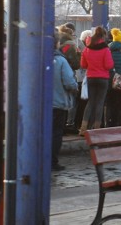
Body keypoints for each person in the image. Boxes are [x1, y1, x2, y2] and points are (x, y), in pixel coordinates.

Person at [79, 26, 114, 134]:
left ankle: (83, 128)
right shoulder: (105, 49)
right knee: (99, 103)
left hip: (91, 77)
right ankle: (97, 129)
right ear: (103, 36)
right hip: (103, 79)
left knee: (90, 102)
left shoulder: (87, 49)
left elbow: (83, 65)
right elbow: (109, 65)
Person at [52, 32, 78, 171]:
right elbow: (70, 83)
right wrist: (75, 88)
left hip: (41, 106)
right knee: (56, 133)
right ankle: (52, 161)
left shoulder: (37, 57)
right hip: (58, 103)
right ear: (56, 43)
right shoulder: (61, 61)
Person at [106, 28, 121, 127]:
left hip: (109, 81)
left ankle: (108, 123)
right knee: (120, 104)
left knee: (109, 104)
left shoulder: (107, 50)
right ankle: (119, 123)